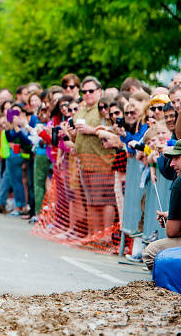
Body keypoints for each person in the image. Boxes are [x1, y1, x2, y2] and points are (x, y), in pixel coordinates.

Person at [68, 76, 116, 242]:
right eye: (84, 91)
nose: (87, 94)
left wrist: (91, 129)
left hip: (102, 161)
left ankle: (107, 236)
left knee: (105, 200)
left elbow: (114, 129)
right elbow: (76, 136)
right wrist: (72, 135)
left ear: (99, 91)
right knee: (91, 201)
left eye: (91, 91)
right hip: (84, 162)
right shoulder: (81, 109)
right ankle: (94, 235)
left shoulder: (103, 108)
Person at [142, 137, 181, 269]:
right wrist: (172, 215)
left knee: (151, 252)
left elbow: (173, 232)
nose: (171, 164)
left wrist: (173, 219)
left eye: (176, 158)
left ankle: (175, 286)